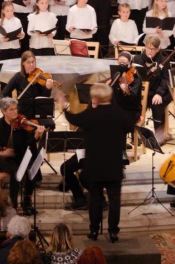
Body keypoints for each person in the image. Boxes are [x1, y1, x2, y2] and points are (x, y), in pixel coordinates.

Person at [60, 84, 130, 242]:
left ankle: (94, 230)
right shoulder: (119, 113)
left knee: (95, 199)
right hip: (113, 165)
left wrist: (64, 107)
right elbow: (129, 125)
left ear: (96, 98)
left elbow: (73, 119)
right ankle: (113, 232)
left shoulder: (91, 114)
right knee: (114, 200)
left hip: (95, 165)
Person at [0, 97, 44, 215]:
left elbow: (28, 145)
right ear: (3, 111)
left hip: (20, 155)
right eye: (11, 109)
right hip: (4, 158)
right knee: (16, 171)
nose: (15, 112)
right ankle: (13, 203)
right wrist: (1, 153)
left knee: (33, 168)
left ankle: (27, 200)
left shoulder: (22, 125)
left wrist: (36, 136)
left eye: (16, 108)